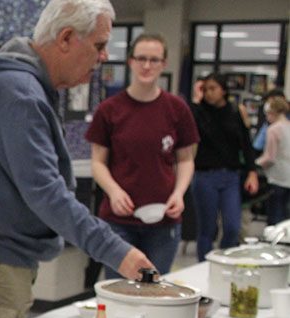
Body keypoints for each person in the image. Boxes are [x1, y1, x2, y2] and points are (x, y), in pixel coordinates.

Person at [0, 0, 154, 318]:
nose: (104, 56)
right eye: (98, 45)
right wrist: (118, 252)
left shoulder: (18, 85)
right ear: (65, 38)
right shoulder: (18, 93)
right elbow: (46, 193)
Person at [85, 33, 198, 277]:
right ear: (131, 62)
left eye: (154, 60)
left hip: (163, 221)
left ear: (163, 64)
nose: (147, 66)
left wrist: (179, 194)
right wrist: (113, 191)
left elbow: (185, 159)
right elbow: (98, 162)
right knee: (119, 292)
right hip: (118, 221)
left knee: (156, 291)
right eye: (141, 58)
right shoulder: (110, 110)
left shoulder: (177, 109)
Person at [189, 72, 258, 261]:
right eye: (205, 89)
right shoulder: (198, 111)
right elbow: (189, 126)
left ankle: (224, 261)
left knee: (232, 226)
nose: (209, 93)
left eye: (213, 89)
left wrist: (252, 171)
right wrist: (196, 101)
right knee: (207, 228)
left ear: (223, 90)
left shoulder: (234, 112)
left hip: (230, 175)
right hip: (205, 176)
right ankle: (203, 265)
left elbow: (246, 144)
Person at [256, 96, 290, 225]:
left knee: (275, 220)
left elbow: (269, 157)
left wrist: (253, 165)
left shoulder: (273, 130)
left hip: (277, 179)